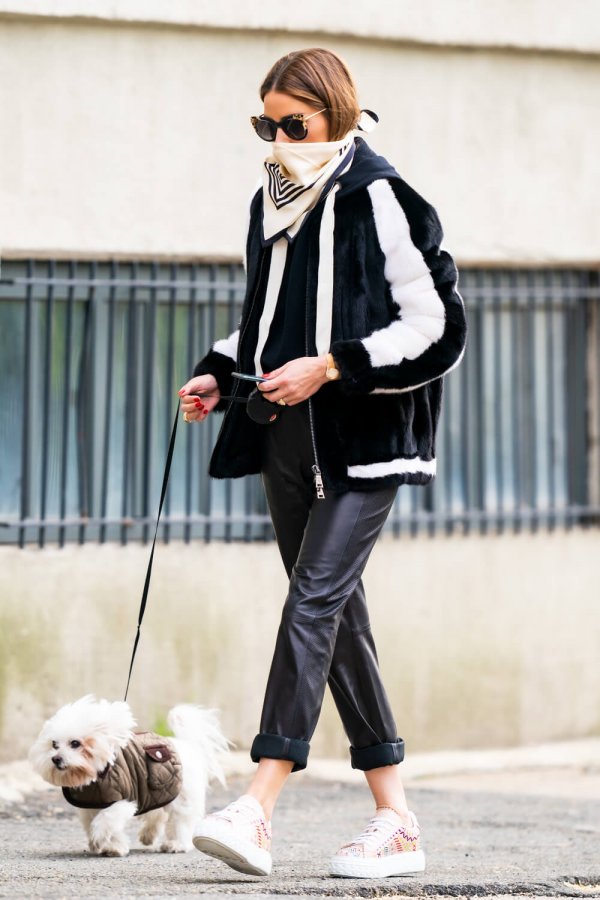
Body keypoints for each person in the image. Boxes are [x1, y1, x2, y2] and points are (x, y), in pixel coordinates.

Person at [178, 47, 466, 879]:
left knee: (312, 600)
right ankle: (397, 820)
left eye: (290, 123)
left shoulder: (380, 196)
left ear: (335, 114)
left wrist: (335, 365)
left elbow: (438, 326)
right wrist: (221, 374)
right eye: (263, 123)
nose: (274, 138)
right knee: (338, 624)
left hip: (364, 444)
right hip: (283, 435)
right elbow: (267, 323)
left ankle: (259, 804)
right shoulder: (273, 201)